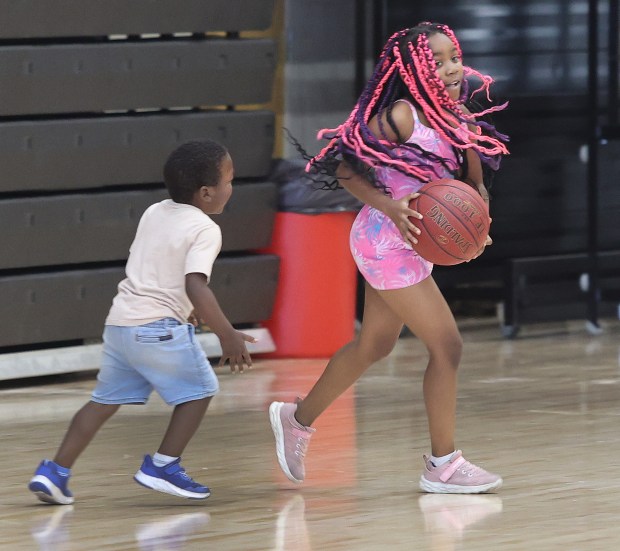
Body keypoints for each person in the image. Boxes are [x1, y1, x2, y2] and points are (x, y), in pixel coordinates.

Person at [269, 22, 509, 494]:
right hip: (384, 238)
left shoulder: (459, 117)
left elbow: (473, 184)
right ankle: (442, 464)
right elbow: (345, 169)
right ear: (414, 71)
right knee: (448, 345)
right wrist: (390, 206)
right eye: (436, 61)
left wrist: (476, 225)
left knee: (374, 346)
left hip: (413, 242)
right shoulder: (402, 116)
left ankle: (295, 419)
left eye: (453, 57)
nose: (451, 67)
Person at [28, 139, 256, 505]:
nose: (232, 187)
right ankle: (163, 465)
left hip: (121, 326)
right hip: (156, 329)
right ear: (207, 193)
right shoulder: (205, 229)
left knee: (102, 402)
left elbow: (161, 270)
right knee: (200, 391)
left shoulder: (155, 211)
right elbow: (193, 283)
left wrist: (188, 309)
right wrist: (227, 334)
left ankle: (55, 471)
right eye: (230, 180)